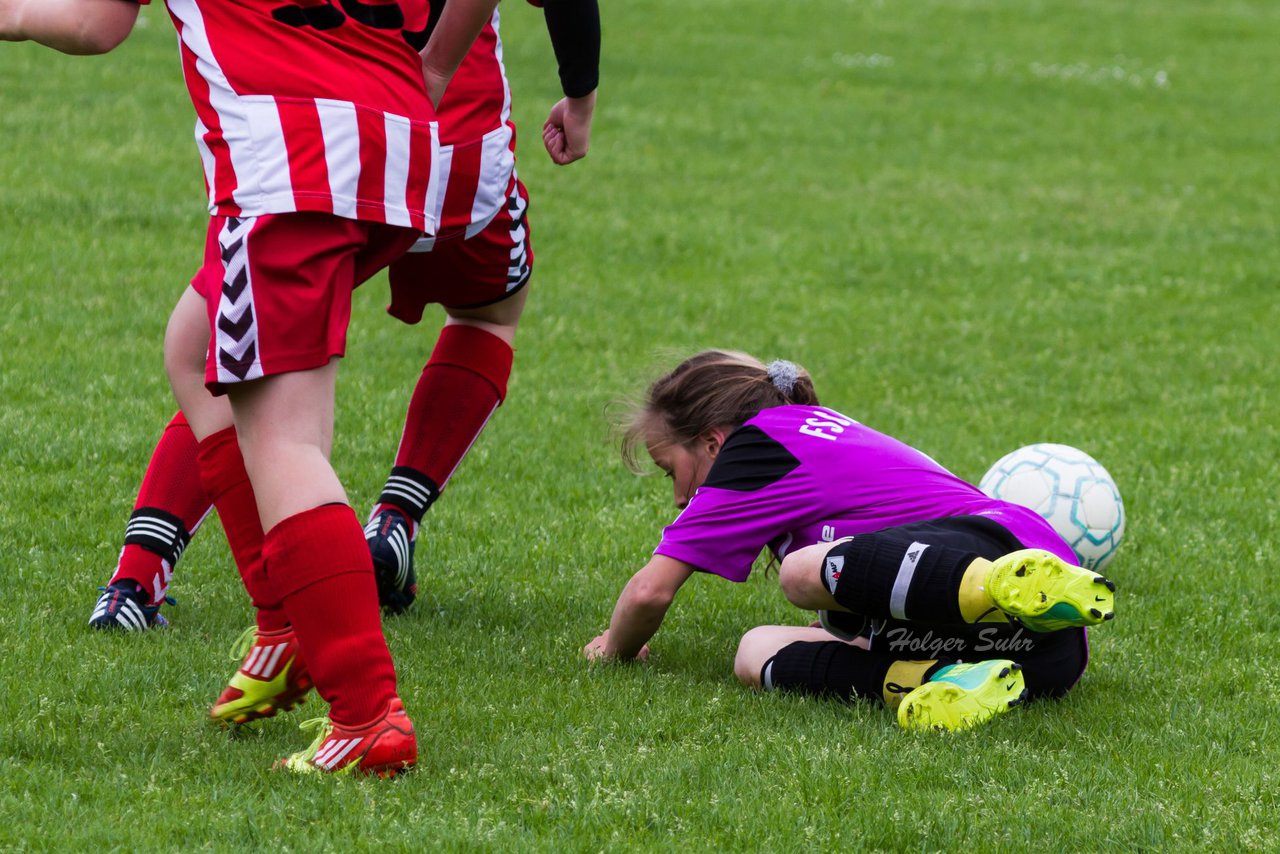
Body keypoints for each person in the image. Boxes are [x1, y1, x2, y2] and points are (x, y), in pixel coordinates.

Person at [6, 0, 504, 775]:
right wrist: (436, 64)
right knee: (195, 345)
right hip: (400, 140)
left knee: (283, 437)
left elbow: (95, 24)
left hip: (290, 159)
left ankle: (366, 713)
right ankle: (282, 626)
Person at [81, 0, 601, 629]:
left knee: (237, 356)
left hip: (329, 149)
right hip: (458, 154)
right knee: (487, 316)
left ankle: (139, 580)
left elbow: (97, 24)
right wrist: (579, 97)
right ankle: (394, 523)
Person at [585, 350, 1117, 731]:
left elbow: (649, 592)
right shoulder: (818, 430)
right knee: (754, 652)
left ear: (712, 441)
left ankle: (998, 585)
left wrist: (613, 649)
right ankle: (942, 682)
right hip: (1045, 662)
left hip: (1004, 555)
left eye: (670, 469)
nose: (679, 496)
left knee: (801, 574)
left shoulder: (759, 443)